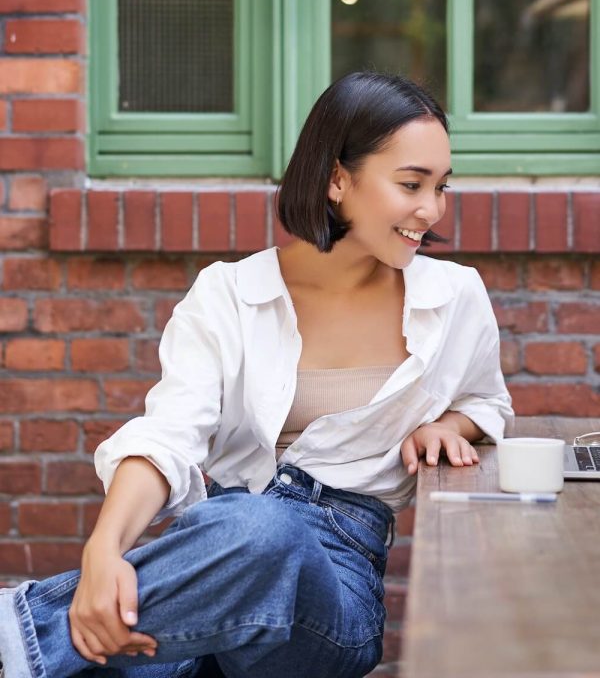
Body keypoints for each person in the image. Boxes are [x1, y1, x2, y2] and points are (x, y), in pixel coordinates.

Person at [0, 72, 514, 678]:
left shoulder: (454, 297)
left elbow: (489, 401)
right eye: (411, 184)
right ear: (336, 178)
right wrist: (103, 549)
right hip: (220, 563)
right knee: (146, 633)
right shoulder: (229, 293)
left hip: (332, 597)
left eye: (441, 186)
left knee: (262, 529)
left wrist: (453, 422)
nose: (432, 210)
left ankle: (21, 634)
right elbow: (169, 434)